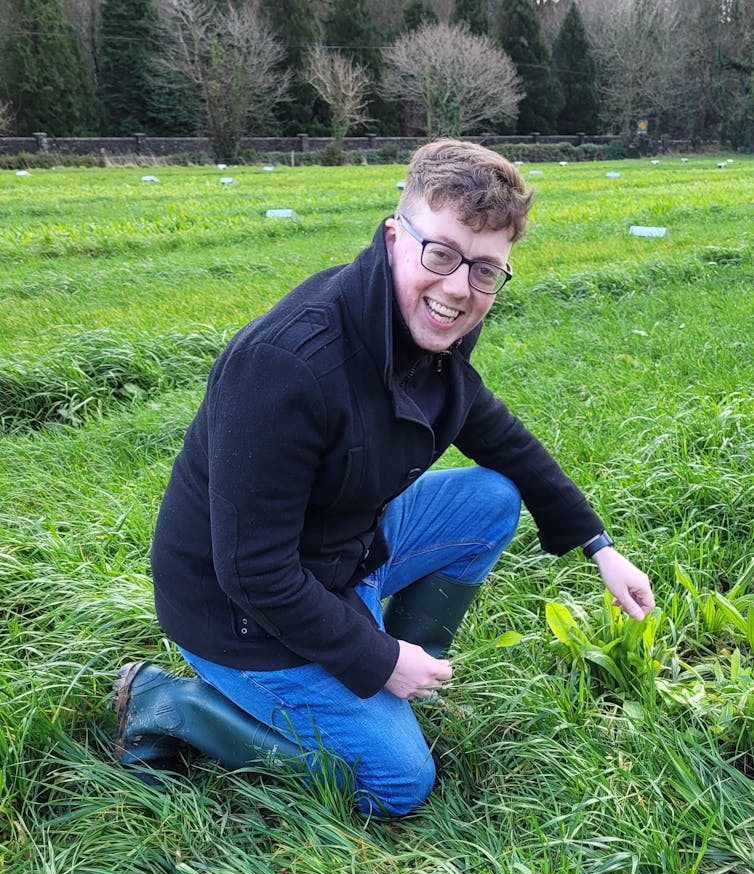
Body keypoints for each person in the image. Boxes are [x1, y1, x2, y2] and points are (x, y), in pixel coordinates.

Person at [113, 139, 655, 816]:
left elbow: (502, 438)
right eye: (443, 254)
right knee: (398, 782)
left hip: (341, 549)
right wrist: (373, 657)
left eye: (486, 270)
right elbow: (252, 571)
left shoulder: (430, 337)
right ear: (395, 236)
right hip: (238, 612)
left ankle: (405, 672)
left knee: (491, 498)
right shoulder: (288, 365)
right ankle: (172, 704)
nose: (460, 289)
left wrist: (599, 546)